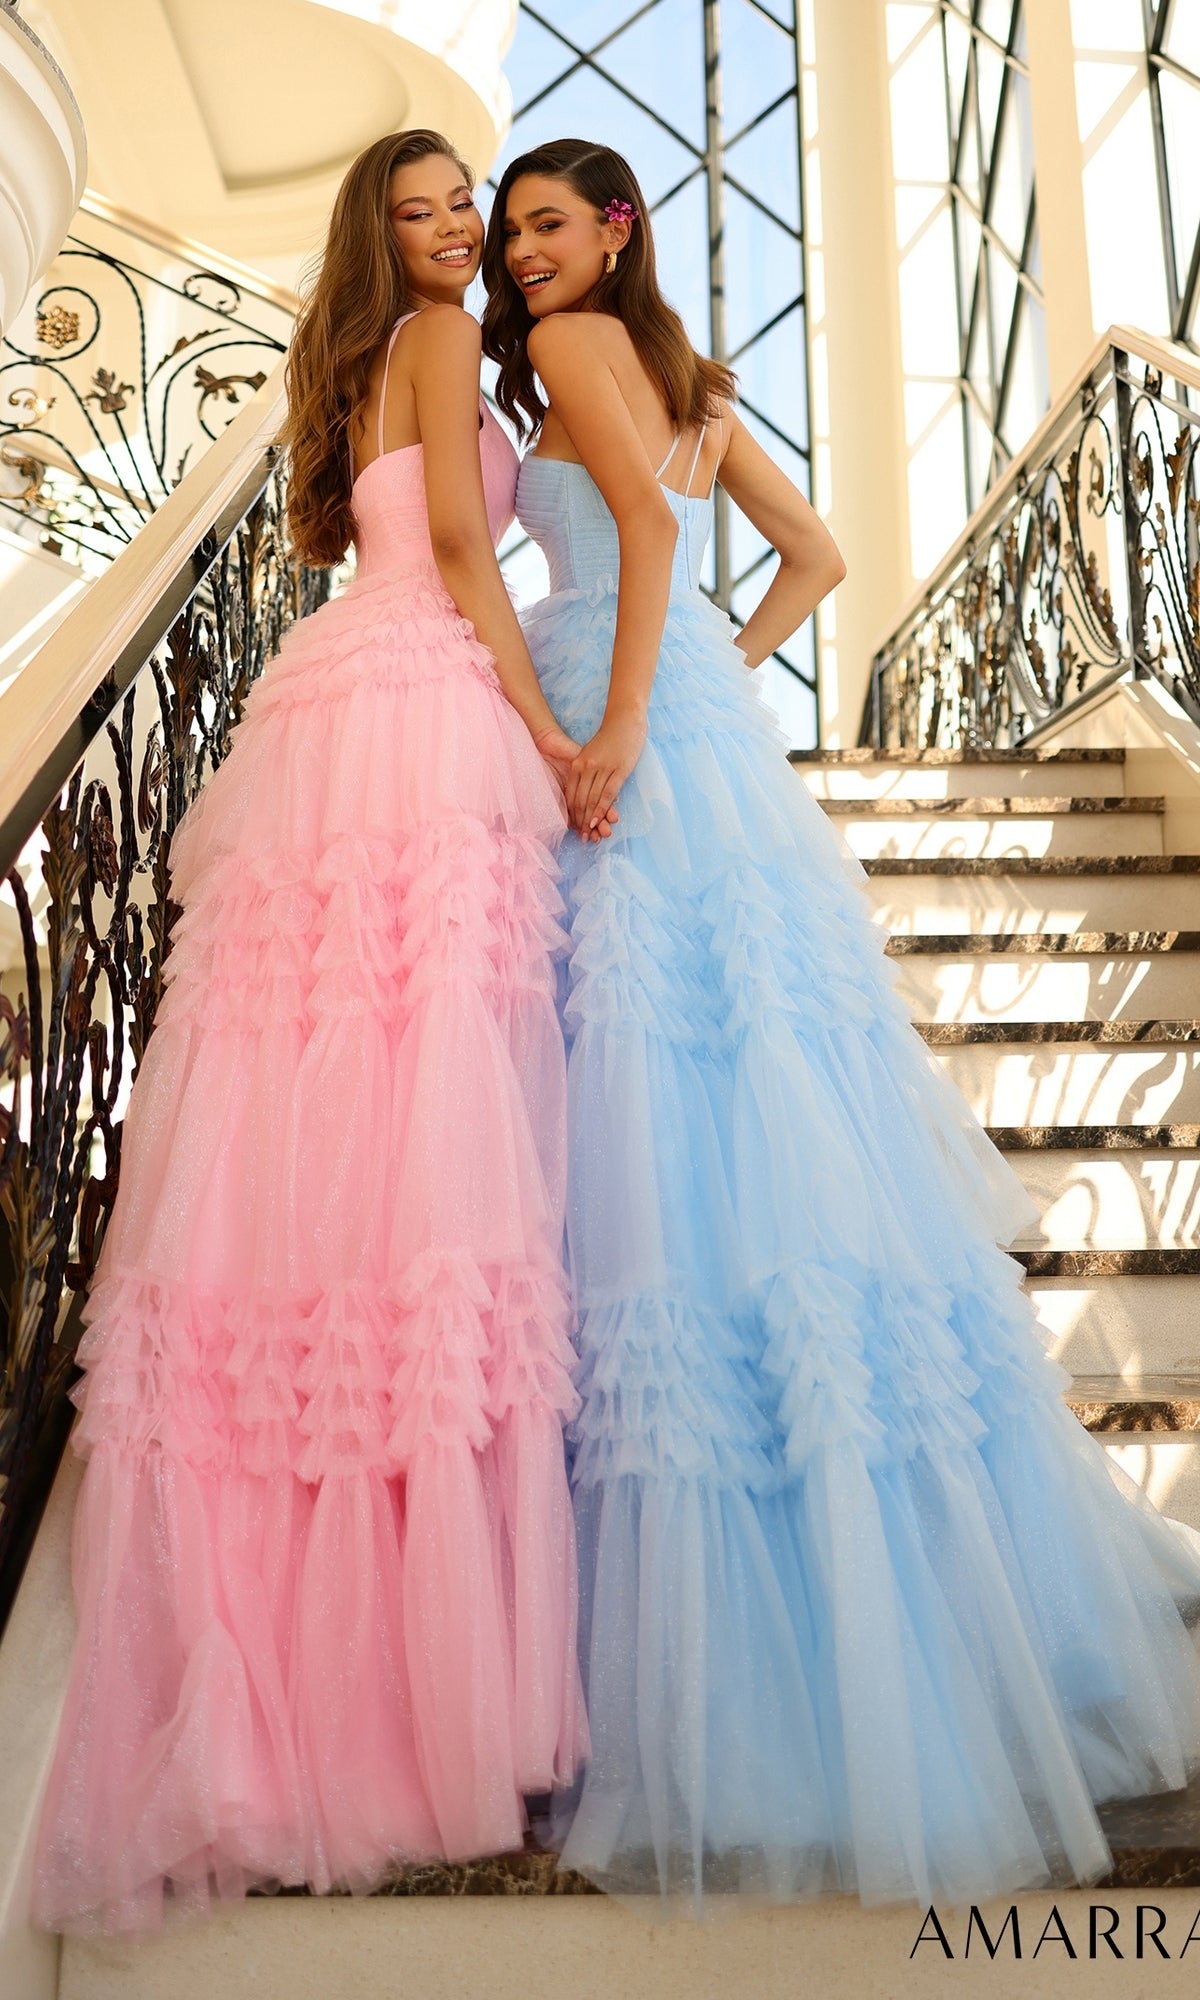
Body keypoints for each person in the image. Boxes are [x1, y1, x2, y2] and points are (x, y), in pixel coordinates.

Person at [481, 137, 1200, 1912]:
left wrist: (630, 698)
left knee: (650, 1098)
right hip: (694, 717)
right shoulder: (688, 373)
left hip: (617, 713)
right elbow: (816, 553)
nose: (523, 257)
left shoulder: (576, 357)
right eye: (509, 235)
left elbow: (631, 531)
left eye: (548, 226)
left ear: (618, 226)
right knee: (751, 1094)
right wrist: (718, 655)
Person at [33, 128, 592, 1936]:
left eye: (466, 209)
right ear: (391, 235)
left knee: (334, 1135)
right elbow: (456, 547)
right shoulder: (437, 338)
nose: (454, 233)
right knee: (431, 1138)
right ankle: (416, 1704)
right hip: (425, 700)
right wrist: (546, 726)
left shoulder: (359, 355)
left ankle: (303, 1690)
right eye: (427, 212)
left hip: (339, 703)